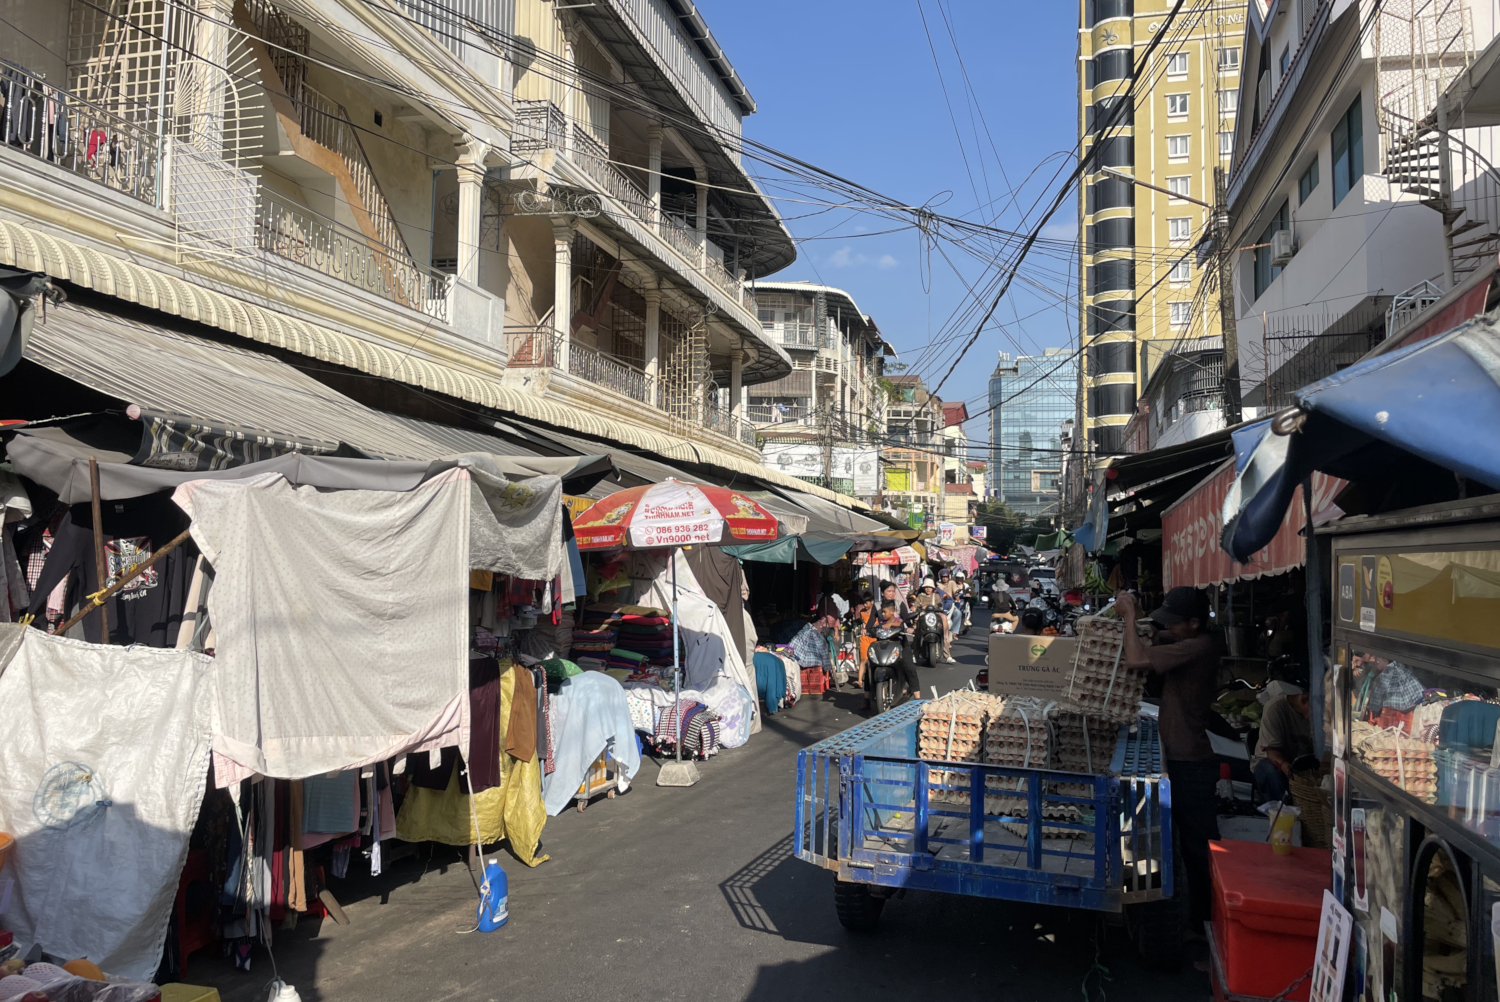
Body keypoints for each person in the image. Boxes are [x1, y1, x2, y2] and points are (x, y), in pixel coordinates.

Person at [1116, 586, 1223, 933]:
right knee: (1181, 844)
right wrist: (1151, 627)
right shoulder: (1190, 641)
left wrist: (1131, 618)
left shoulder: (1199, 646)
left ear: (1195, 623)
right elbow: (1161, 639)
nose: (1169, 629)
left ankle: (1207, 931)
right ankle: (1181, 916)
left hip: (1190, 762)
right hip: (1178, 755)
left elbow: (1136, 660)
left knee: (1200, 852)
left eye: (1175, 625)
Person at [1252, 685, 1314, 804]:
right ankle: (1283, 812)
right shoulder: (1275, 708)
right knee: (1273, 773)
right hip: (1269, 761)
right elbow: (1272, 753)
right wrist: (1286, 766)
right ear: (1304, 700)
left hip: (1297, 761)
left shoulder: (1313, 718)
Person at [868, 599, 921, 704]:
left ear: (892, 611)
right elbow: (873, 629)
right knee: (869, 667)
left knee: (909, 667)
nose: (882, 614)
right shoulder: (881, 623)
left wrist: (890, 624)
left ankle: (918, 697)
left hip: (899, 647)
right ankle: (867, 698)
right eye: (881, 612)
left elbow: (900, 624)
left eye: (884, 612)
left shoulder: (897, 620)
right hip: (884, 650)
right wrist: (868, 630)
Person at [913, 578, 956, 663]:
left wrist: (935, 607)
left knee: (941, 631)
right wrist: (918, 608)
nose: (928, 589)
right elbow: (915, 607)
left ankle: (948, 655)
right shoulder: (920, 596)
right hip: (923, 616)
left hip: (934, 616)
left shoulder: (936, 596)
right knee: (917, 635)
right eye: (926, 587)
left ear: (933, 588)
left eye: (930, 587)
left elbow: (940, 606)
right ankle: (915, 655)